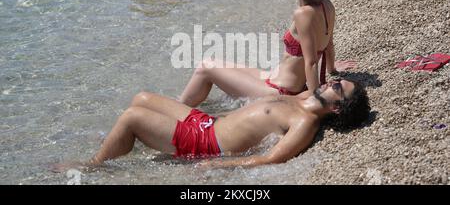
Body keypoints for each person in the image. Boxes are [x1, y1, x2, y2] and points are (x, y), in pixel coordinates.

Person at [52, 78, 370, 171]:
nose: (334, 81)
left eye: (339, 87)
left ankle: (93, 166)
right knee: (142, 98)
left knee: (132, 118)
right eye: (338, 80)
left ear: (337, 108)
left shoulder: (305, 122)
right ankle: (118, 143)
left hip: (206, 143)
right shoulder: (302, 98)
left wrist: (220, 166)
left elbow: (272, 158)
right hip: (206, 122)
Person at [179, 0, 356, 107]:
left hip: (280, 90)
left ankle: (176, 113)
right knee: (218, 73)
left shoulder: (302, 14)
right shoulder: (328, 6)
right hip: (277, 79)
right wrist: (332, 69)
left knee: (205, 67)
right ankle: (196, 108)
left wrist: (316, 98)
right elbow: (328, 44)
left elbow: (310, 63)